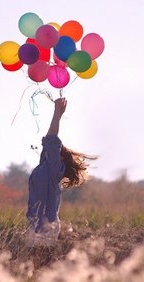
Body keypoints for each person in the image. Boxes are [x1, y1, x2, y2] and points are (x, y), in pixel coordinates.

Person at [25, 97, 96, 247]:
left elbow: (51, 139)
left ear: (58, 157)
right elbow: (49, 142)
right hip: (36, 226)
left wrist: (56, 112)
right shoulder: (44, 169)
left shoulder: (53, 169)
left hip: (46, 227)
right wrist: (59, 115)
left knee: (41, 265)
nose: (47, 149)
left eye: (54, 151)